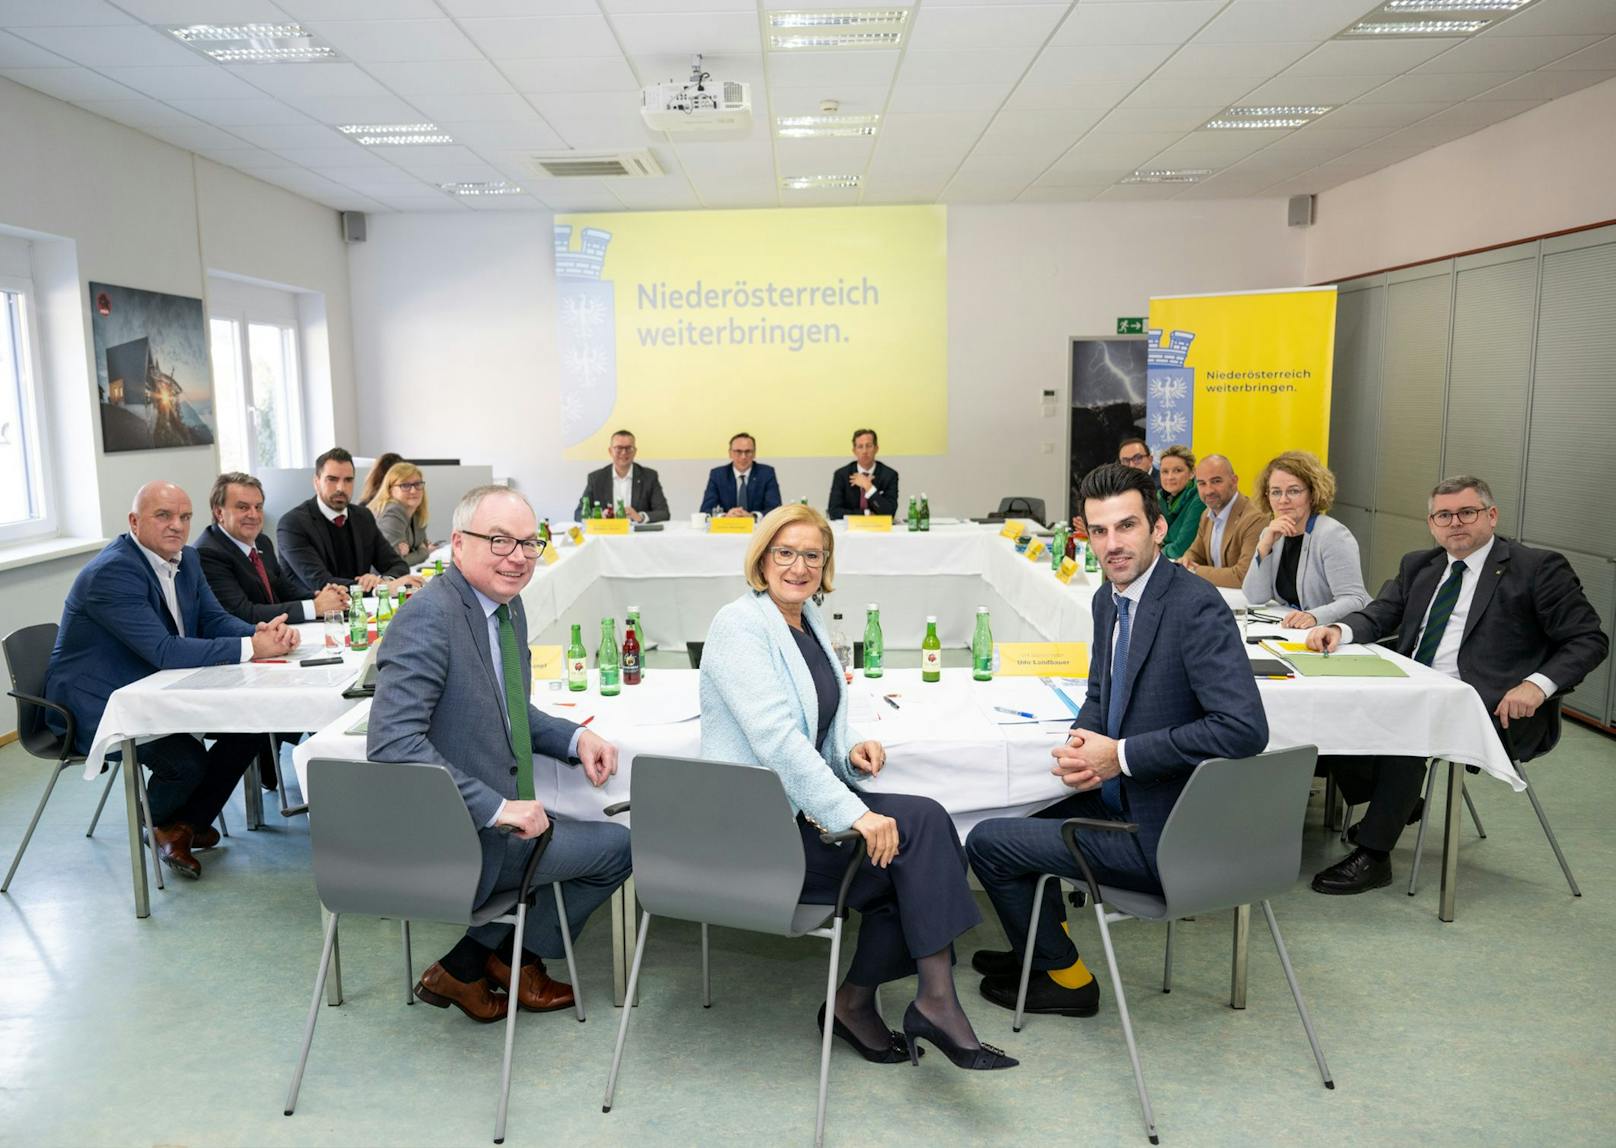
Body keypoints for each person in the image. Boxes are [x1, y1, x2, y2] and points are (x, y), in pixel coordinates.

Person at [700, 504, 1016, 1070]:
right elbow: (774, 739)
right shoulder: (739, 624)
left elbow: (807, 722)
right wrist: (854, 812)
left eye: (812, 555)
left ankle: (914, 1002)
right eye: (786, 553)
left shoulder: (808, 620)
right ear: (763, 558)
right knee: (910, 849)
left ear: (825, 565)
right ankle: (894, 1004)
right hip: (756, 830)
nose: (798, 566)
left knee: (926, 825)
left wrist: (846, 751)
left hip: (798, 810)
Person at [965, 464, 1268, 1019]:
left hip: (1170, 830)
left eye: (1126, 527)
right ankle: (1038, 951)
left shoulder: (1195, 606)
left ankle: (1069, 980)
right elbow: (1103, 692)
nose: (1113, 544)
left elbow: (1243, 728)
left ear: (1157, 528)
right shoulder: (1110, 599)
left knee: (988, 842)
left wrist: (1121, 757)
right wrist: (1085, 743)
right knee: (1020, 814)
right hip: (1126, 797)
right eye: (1099, 531)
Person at [368, 485, 632, 1021]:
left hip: (490, 817)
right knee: (618, 848)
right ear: (458, 544)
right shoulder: (431, 615)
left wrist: (575, 738)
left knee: (579, 828)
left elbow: (507, 710)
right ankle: (512, 958)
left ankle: (469, 965)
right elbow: (392, 742)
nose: (517, 556)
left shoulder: (505, 610)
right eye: (499, 540)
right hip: (456, 835)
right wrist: (495, 808)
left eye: (528, 544)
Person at [1305, 476, 1608, 894]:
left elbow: (1588, 639)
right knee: (1333, 704)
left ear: (1491, 515)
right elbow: (1379, 615)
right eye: (1444, 516)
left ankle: (1374, 856)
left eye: (1467, 512)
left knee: (1409, 729)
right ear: (1431, 523)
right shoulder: (1420, 564)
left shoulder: (1537, 568)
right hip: (1414, 684)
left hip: (1491, 702)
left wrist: (1537, 686)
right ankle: (1398, 801)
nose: (1455, 523)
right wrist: (1340, 629)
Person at [44, 481, 300, 878]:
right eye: (163, 516)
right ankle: (161, 822)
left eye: (184, 517)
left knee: (251, 725)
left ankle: (179, 826)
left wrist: (260, 633)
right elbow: (164, 649)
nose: (176, 526)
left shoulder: (189, 559)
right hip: (97, 704)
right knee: (186, 762)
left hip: (155, 687)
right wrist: (252, 648)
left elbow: (213, 619)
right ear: (134, 521)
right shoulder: (113, 573)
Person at [196, 472, 348, 625]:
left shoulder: (262, 542)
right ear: (219, 512)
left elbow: (285, 590)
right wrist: (315, 607)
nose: (254, 515)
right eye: (243, 507)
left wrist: (324, 597)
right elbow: (242, 613)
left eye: (258, 507)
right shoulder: (208, 554)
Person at [1241, 451, 1369, 628]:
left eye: (1293, 491)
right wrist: (1265, 546)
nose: (1283, 500)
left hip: (1331, 636)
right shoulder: (1271, 533)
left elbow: (1355, 600)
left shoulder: (1333, 535)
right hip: (1292, 633)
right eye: (1276, 492)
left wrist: (1314, 616)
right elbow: (1255, 597)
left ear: (1313, 494)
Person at [276, 447, 423, 596]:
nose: (341, 487)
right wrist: (380, 589)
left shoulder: (363, 517)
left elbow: (397, 565)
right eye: (332, 479)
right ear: (316, 482)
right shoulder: (293, 524)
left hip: (361, 610)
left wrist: (383, 580)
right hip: (318, 615)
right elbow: (321, 582)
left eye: (348, 480)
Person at [1178, 454, 1265, 589]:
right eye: (1202, 483)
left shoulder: (1255, 519)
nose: (1208, 490)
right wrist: (1187, 561)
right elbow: (1195, 553)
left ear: (1234, 481)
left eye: (1216, 481)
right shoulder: (1207, 514)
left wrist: (1195, 571)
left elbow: (1243, 576)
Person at [574, 429, 670, 523]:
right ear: (610, 451)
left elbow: (663, 513)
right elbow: (578, 513)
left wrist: (640, 516)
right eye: (619, 448)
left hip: (637, 535)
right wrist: (597, 517)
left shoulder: (649, 476)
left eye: (628, 448)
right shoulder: (596, 478)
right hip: (607, 533)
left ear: (635, 451)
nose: (624, 452)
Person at [368, 460, 436, 565]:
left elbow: (423, 544)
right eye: (405, 485)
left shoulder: (417, 511)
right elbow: (393, 564)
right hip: (377, 579)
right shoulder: (392, 512)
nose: (413, 491)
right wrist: (423, 552)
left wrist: (411, 552)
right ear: (390, 489)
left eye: (417, 484)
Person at [700, 432, 782, 518]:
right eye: (738, 451)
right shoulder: (718, 475)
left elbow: (775, 509)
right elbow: (705, 510)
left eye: (748, 451)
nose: (743, 456)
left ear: (754, 453)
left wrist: (753, 516)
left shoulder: (766, 473)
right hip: (727, 528)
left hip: (757, 528)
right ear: (730, 453)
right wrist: (725, 516)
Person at [826, 429, 900, 520]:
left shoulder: (889, 475)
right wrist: (866, 514)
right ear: (854, 451)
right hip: (850, 530)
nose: (865, 451)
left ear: (876, 449)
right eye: (860, 447)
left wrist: (868, 487)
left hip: (879, 531)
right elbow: (834, 511)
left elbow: (889, 513)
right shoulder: (842, 475)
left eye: (869, 446)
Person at [1156, 445, 1204, 561]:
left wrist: (1156, 553)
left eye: (1178, 470)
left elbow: (1180, 549)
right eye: (1165, 472)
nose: (1170, 477)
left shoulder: (1199, 498)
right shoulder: (1159, 498)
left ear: (1192, 473)